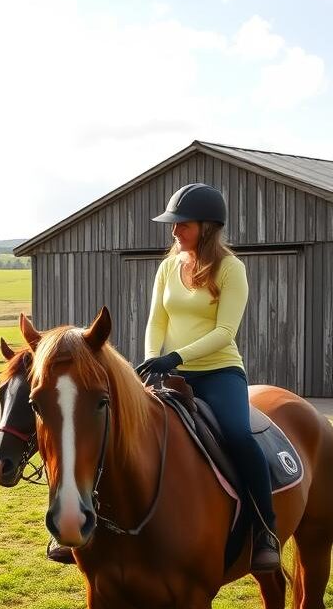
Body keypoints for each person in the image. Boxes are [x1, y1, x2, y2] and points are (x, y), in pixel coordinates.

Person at [135, 182, 280, 572]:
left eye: (182, 224)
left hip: (219, 372)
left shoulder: (232, 268)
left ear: (207, 226)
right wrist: (154, 360)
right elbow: (155, 321)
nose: (174, 231)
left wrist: (177, 356)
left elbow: (225, 332)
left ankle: (266, 527)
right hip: (169, 371)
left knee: (237, 434)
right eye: (173, 224)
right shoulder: (168, 267)